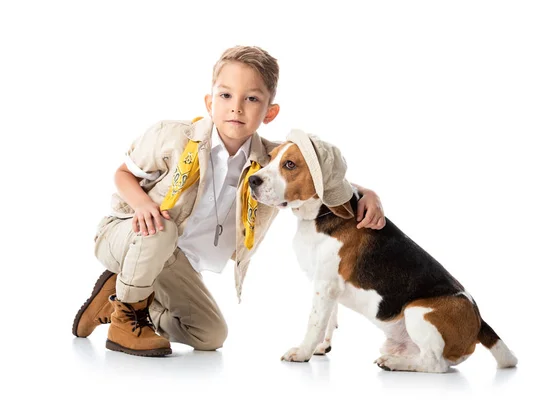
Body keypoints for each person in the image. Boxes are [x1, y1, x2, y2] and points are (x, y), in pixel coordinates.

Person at [72, 45, 386, 357]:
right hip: (131, 236)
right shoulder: (175, 137)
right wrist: (142, 203)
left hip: (175, 262)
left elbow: (316, 178)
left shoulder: (270, 162)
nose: (236, 107)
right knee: (163, 230)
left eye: (251, 99)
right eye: (225, 96)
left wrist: (367, 194)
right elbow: (123, 173)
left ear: (269, 112)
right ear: (210, 102)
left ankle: (123, 299)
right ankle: (125, 320)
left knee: (210, 335)